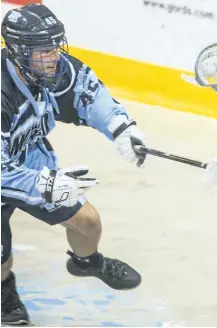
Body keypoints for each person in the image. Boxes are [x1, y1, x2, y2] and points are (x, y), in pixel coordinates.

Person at [1, 3, 146, 325]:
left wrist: (122, 129)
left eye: (55, 45)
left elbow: (89, 96)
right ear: (18, 51)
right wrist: (46, 185)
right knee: (0, 257)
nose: (53, 55)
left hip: (28, 161)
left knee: (88, 222)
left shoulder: (53, 68)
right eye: (42, 49)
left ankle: (86, 262)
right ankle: (4, 292)